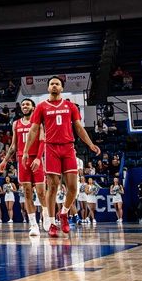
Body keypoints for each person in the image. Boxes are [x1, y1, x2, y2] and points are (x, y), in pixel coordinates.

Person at [23, 77, 100, 238]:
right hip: (51, 148)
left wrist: (91, 144)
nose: (54, 86)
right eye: (51, 84)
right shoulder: (41, 107)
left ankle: (64, 213)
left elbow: (79, 128)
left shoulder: (70, 106)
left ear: (62, 88)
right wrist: (25, 150)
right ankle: (51, 223)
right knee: (53, 186)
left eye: (57, 84)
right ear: (48, 88)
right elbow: (33, 131)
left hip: (68, 147)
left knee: (73, 187)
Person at [0, 98, 48, 236]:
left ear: (33, 107)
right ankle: (33, 225)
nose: (25, 106)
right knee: (27, 193)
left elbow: (42, 142)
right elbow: (14, 146)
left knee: (41, 193)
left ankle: (48, 218)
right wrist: (5, 161)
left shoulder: (38, 123)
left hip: (36, 159)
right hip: (22, 160)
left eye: (28, 104)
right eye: (23, 104)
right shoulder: (16, 124)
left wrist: (38, 158)